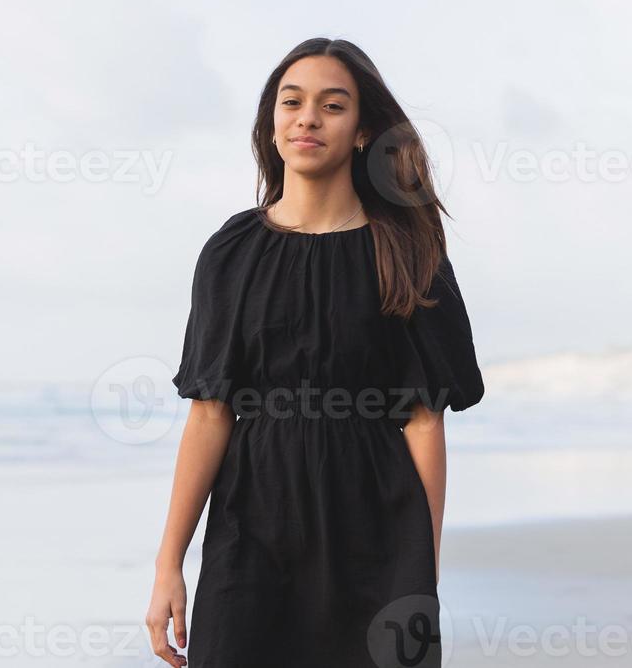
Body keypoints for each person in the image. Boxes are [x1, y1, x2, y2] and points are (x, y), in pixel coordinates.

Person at [145, 37, 485, 668]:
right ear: (272, 124)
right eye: (292, 102)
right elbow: (211, 412)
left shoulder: (407, 252)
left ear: (361, 132)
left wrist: (423, 572)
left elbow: (423, 419)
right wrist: (169, 564)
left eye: (332, 106)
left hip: (377, 524)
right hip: (252, 524)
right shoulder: (232, 252)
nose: (307, 118)